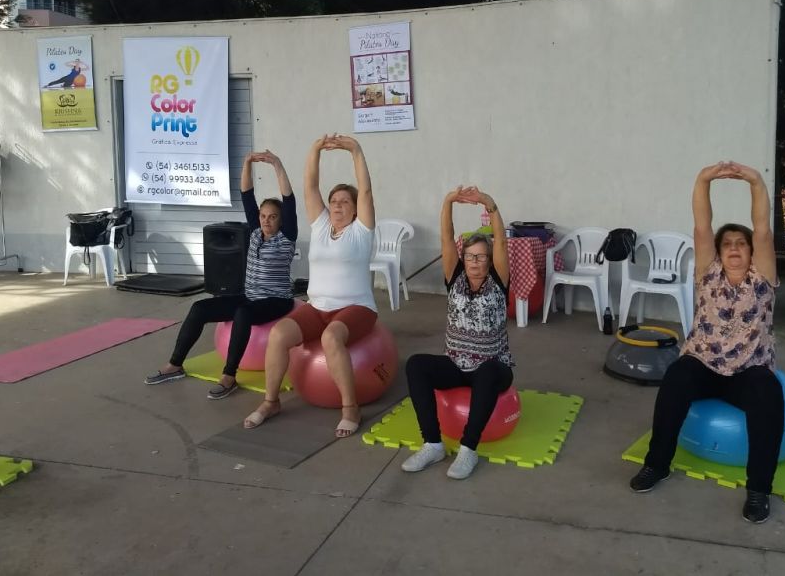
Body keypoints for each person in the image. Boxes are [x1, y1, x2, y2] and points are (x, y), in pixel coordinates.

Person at [629, 161, 783, 524]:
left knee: (768, 391)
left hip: (748, 372)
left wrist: (755, 181)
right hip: (704, 365)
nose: (734, 248)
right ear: (718, 252)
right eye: (727, 244)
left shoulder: (763, 279)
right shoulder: (708, 273)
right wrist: (703, 178)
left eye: (740, 244)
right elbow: (701, 226)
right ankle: (657, 465)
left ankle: (759, 489)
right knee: (677, 375)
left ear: (750, 252)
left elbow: (762, 230)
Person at [243, 134, 377, 438]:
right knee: (278, 334)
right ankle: (271, 401)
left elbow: (367, 188)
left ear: (356, 208)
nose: (338, 205)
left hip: (356, 307)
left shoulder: (362, 230)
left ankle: (350, 408)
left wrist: (355, 149)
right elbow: (310, 186)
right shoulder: (320, 225)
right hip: (317, 307)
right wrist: (315, 149)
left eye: (345, 202)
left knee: (331, 337)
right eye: (334, 201)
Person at [145, 150, 297, 399]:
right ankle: (175, 365)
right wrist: (247, 162)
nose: (267, 221)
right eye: (263, 216)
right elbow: (246, 195)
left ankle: (229, 376)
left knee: (243, 313)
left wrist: (277, 165)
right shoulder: (257, 232)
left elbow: (289, 200)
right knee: (199, 308)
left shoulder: (286, 238)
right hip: (250, 295)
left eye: (273, 217)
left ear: (281, 221)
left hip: (277, 300)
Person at [400, 185, 513, 480]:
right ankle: (433, 444)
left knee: (488, 371)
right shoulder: (455, 278)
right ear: (464, 259)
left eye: (482, 257)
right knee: (415, 365)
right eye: (471, 257)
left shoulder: (498, 282)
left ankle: (468, 450)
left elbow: (500, 240)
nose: (476, 262)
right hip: (457, 364)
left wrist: (490, 204)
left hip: (494, 367)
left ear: (490, 261)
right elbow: (446, 238)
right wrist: (448, 200)